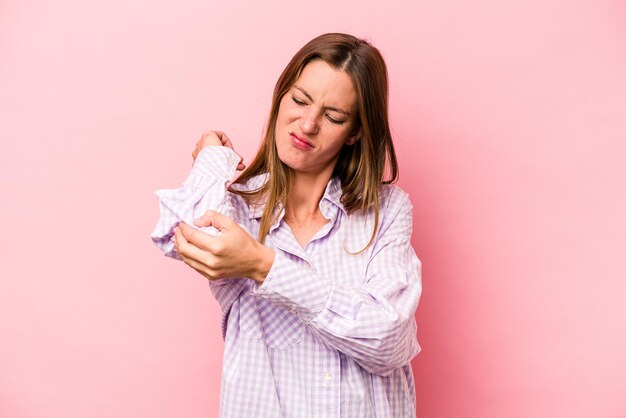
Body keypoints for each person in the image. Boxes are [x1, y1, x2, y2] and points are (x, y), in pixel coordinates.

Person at [151, 33, 422, 418]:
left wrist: (264, 266)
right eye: (299, 100)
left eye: (333, 117)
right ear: (280, 98)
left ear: (356, 132)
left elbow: (389, 339)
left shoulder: (388, 211)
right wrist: (212, 157)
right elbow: (177, 236)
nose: (307, 124)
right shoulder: (239, 205)